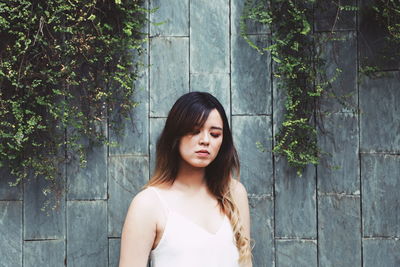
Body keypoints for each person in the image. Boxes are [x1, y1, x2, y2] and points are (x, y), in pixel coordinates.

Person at [119, 92, 252, 267]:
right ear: (175, 135)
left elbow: (245, 263)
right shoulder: (148, 204)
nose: (205, 140)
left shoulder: (234, 193)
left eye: (214, 134)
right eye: (194, 131)